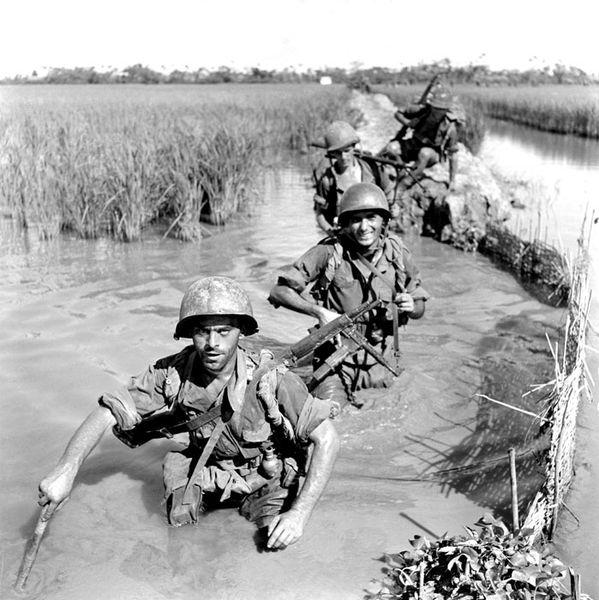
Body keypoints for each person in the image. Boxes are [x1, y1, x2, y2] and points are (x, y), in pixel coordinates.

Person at [38, 276, 340, 550]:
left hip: (266, 474)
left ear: (241, 332)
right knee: (180, 539)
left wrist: (299, 514)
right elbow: (108, 411)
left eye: (224, 331)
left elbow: (327, 438)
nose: (212, 344)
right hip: (209, 468)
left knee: (272, 546)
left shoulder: (272, 379)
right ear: (189, 334)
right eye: (202, 332)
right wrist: (65, 470)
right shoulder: (172, 373)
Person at [269, 183, 429, 408]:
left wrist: (412, 306)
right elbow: (279, 291)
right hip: (335, 363)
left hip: (382, 363)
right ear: (344, 224)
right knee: (331, 422)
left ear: (384, 221)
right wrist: (320, 312)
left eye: (371, 217)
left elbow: (420, 306)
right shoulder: (328, 253)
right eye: (356, 219)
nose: (364, 227)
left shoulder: (397, 254)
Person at [313, 121, 396, 234]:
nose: (343, 157)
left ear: (353, 147)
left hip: (373, 232)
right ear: (332, 154)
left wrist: (391, 210)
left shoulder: (372, 168)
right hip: (344, 234)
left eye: (347, 151)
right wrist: (330, 231)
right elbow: (320, 214)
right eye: (338, 153)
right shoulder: (328, 180)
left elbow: (389, 193)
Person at [387, 84, 460, 190]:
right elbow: (398, 113)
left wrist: (452, 181)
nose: (437, 112)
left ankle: (405, 183)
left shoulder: (450, 127)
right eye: (435, 108)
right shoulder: (422, 111)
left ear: (446, 110)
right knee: (392, 148)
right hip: (414, 145)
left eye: (441, 109)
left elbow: (453, 155)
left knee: (424, 153)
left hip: (431, 154)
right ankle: (402, 171)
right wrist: (408, 123)